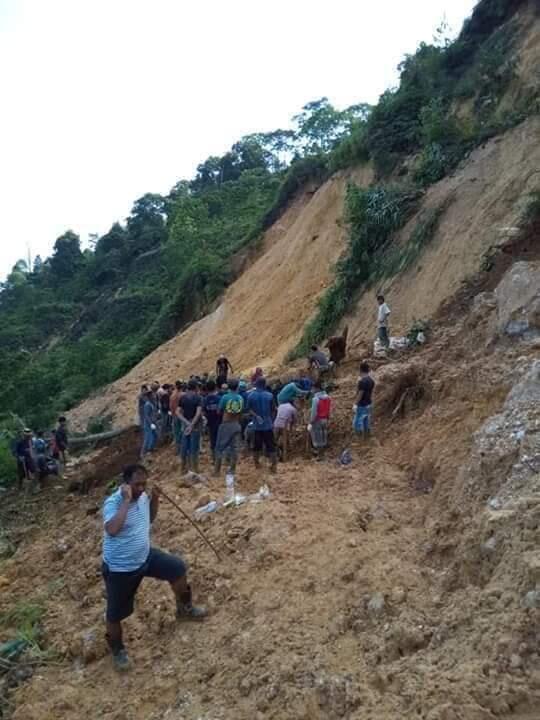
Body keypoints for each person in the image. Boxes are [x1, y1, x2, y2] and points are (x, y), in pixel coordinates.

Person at [102, 464, 206, 671]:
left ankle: (184, 608)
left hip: (145, 556)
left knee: (177, 568)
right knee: (114, 615)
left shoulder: (142, 497)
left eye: (144, 484)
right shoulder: (113, 502)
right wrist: (125, 501)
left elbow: (148, 519)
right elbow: (112, 530)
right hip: (121, 569)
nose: (141, 488)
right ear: (125, 484)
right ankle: (118, 650)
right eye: (136, 484)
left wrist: (154, 498)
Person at [247, 377, 277, 472]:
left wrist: (255, 415)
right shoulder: (270, 395)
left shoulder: (251, 396)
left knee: (256, 447)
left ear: (256, 385)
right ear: (264, 385)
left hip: (256, 426)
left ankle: (257, 464)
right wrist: (271, 419)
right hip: (268, 425)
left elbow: (249, 410)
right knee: (271, 447)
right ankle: (273, 466)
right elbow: (274, 410)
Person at [215, 379, 244, 475]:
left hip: (226, 424)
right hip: (236, 424)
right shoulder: (240, 398)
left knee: (219, 448)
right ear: (237, 387)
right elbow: (241, 412)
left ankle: (217, 471)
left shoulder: (225, 397)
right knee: (234, 449)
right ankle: (232, 470)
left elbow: (218, 411)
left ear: (228, 387)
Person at [177, 380, 203, 474]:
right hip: (195, 425)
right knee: (194, 448)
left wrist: (187, 423)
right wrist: (192, 424)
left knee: (184, 446)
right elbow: (198, 413)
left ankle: (183, 468)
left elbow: (177, 412)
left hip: (185, 424)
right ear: (196, 387)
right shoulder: (198, 398)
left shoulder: (183, 398)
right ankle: (194, 469)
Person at [308, 382, 331, 459]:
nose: (312, 390)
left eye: (313, 388)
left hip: (317, 420)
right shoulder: (328, 397)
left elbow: (314, 412)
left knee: (318, 439)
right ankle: (323, 454)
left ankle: (320, 456)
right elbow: (328, 409)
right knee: (324, 437)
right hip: (325, 419)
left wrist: (311, 422)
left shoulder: (316, 399)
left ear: (317, 388)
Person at [353, 362, 375, 438]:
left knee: (357, 422)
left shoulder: (362, 382)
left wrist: (355, 404)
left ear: (360, 370)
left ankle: (359, 437)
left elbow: (360, 394)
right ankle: (367, 435)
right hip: (369, 403)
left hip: (362, 404)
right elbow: (371, 392)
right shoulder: (371, 380)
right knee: (366, 421)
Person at [203, 380, 221, 462]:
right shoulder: (219, 398)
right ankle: (219, 458)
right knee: (220, 440)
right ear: (215, 387)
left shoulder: (205, 400)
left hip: (210, 423)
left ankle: (214, 458)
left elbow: (203, 412)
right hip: (219, 422)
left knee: (213, 441)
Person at [141, 390, 158, 457]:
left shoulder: (151, 403)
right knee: (148, 438)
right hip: (148, 424)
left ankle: (151, 448)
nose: (153, 396)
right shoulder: (147, 405)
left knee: (154, 436)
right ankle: (143, 453)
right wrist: (151, 424)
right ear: (149, 396)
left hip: (152, 423)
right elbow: (146, 415)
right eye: (152, 395)